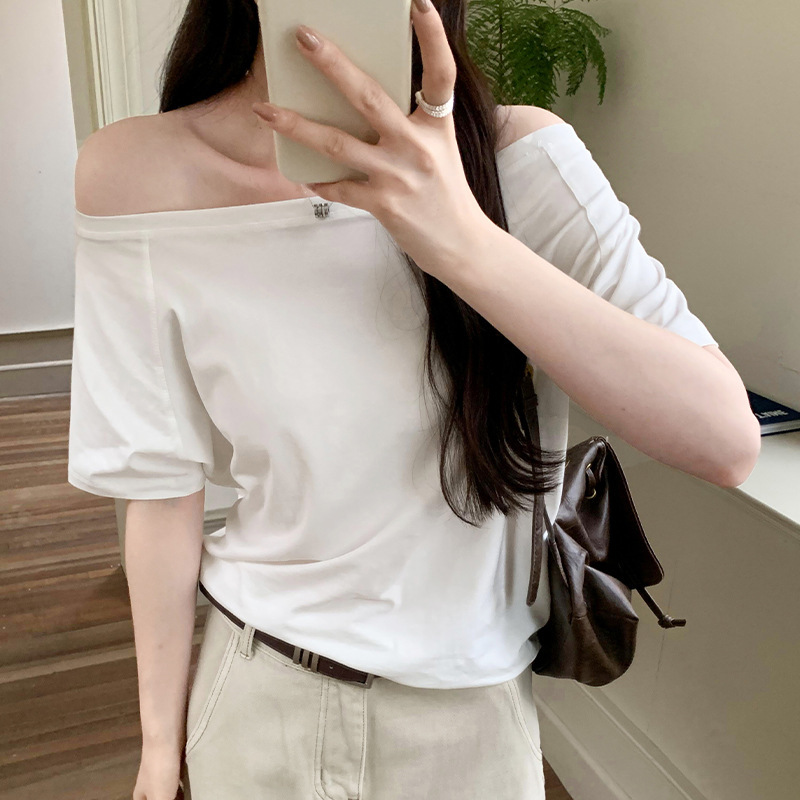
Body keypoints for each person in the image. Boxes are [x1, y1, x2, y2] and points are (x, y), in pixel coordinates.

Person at [67, 0, 760, 798]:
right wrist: (160, 747)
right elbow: (160, 486)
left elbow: (724, 440)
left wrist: (460, 237)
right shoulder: (136, 177)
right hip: (255, 693)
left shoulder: (521, 157)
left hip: (471, 711)